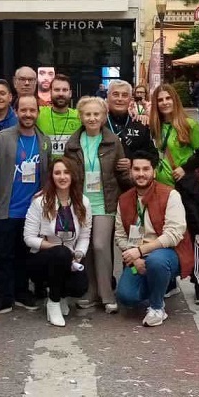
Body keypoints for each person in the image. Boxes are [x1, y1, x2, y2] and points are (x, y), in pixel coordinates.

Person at [0, 94, 52, 317]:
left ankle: (21, 292)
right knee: (4, 255)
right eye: (24, 110)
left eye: (32, 110)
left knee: (24, 255)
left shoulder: (44, 141)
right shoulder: (2, 138)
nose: (28, 114)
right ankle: (3, 297)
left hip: (31, 212)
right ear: (16, 111)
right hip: (7, 208)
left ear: (38, 113)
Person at [64, 96, 129, 313]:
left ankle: (107, 294)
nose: (92, 118)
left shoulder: (113, 141)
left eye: (96, 114)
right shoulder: (72, 144)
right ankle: (92, 292)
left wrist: (131, 174)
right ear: (81, 117)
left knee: (100, 245)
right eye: (88, 114)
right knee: (88, 249)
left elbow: (122, 173)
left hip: (105, 202)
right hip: (81, 203)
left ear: (103, 117)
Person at [114, 153, 194, 327]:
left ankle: (157, 307)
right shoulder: (124, 199)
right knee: (126, 297)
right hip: (137, 257)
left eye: (146, 169)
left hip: (168, 253)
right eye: (136, 169)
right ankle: (161, 282)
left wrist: (141, 251)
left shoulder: (170, 195)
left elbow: (173, 234)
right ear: (130, 172)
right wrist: (135, 260)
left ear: (154, 172)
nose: (141, 174)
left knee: (156, 262)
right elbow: (120, 236)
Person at [150, 83, 199, 303]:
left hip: (182, 187)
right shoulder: (154, 126)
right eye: (160, 99)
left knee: (189, 234)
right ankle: (170, 280)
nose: (164, 102)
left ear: (174, 100)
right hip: (160, 188)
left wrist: (184, 168)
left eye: (168, 98)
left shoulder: (189, 124)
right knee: (163, 233)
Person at [24, 157, 92, 326]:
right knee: (60, 253)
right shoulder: (40, 201)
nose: (62, 177)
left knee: (80, 287)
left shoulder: (83, 202)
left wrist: (78, 255)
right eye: (57, 173)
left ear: (72, 176)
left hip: (69, 258)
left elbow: (84, 236)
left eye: (66, 172)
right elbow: (29, 238)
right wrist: (55, 248)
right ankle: (53, 302)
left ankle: (61, 296)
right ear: (51, 176)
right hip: (41, 259)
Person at [106, 80, 157, 162]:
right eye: (115, 94)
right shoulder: (98, 124)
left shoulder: (141, 125)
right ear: (108, 97)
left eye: (124, 95)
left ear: (130, 99)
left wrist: (132, 162)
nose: (120, 99)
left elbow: (153, 157)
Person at [35, 74, 82, 159]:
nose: (61, 93)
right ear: (50, 92)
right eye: (57, 90)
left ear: (70, 93)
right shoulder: (38, 114)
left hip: (71, 166)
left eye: (65, 90)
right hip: (45, 166)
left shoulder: (79, 116)